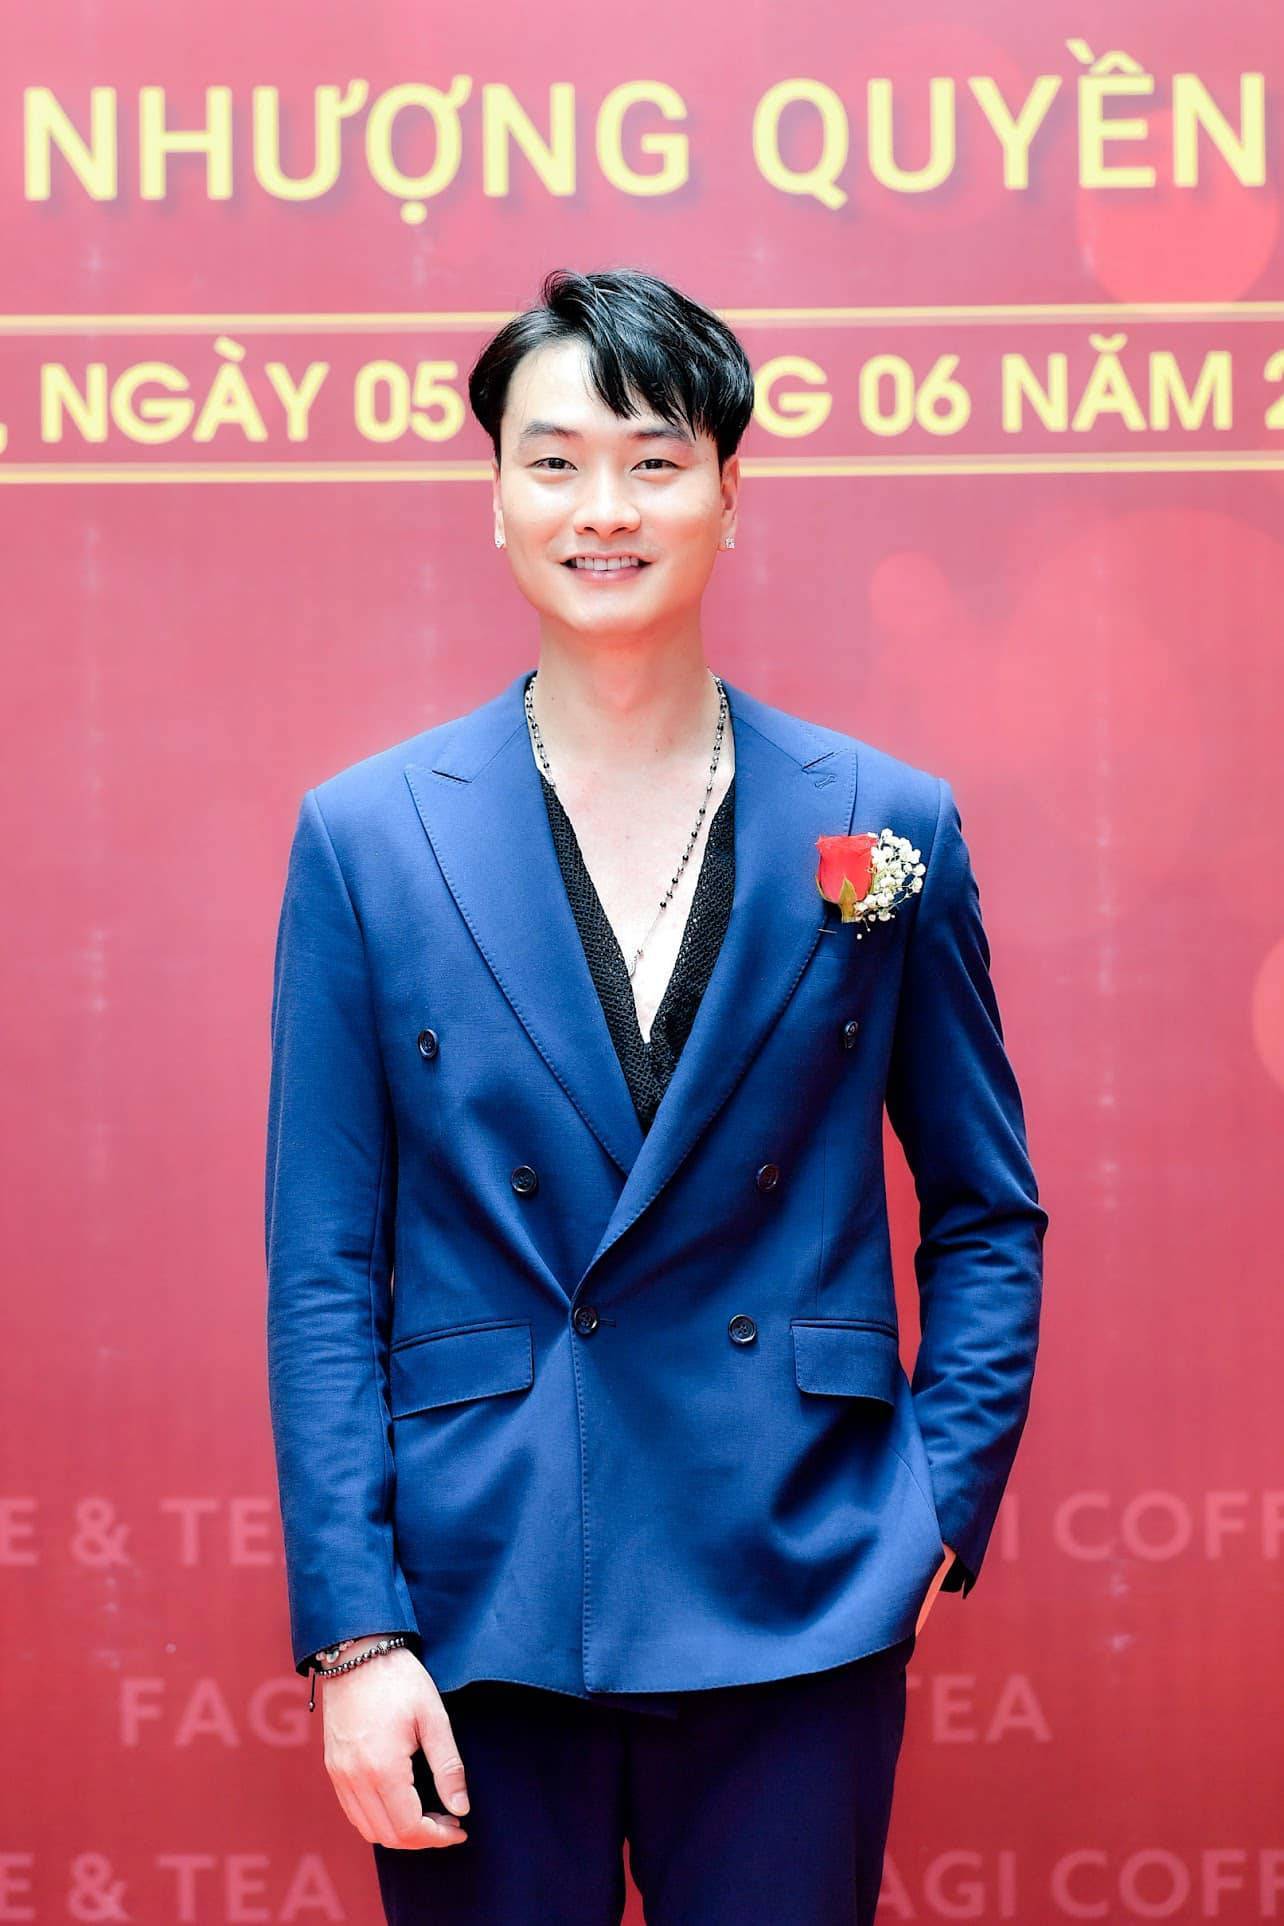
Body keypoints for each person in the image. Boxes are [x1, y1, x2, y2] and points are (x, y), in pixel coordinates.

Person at [264, 266, 1048, 1924]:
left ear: (730, 491)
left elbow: (987, 1206)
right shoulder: (368, 835)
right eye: (554, 461)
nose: (603, 508)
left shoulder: (884, 823)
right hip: (480, 1591)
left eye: (653, 460)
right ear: (493, 496)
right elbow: (324, 1266)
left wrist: (931, 1508)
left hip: (801, 1574)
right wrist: (354, 1630)